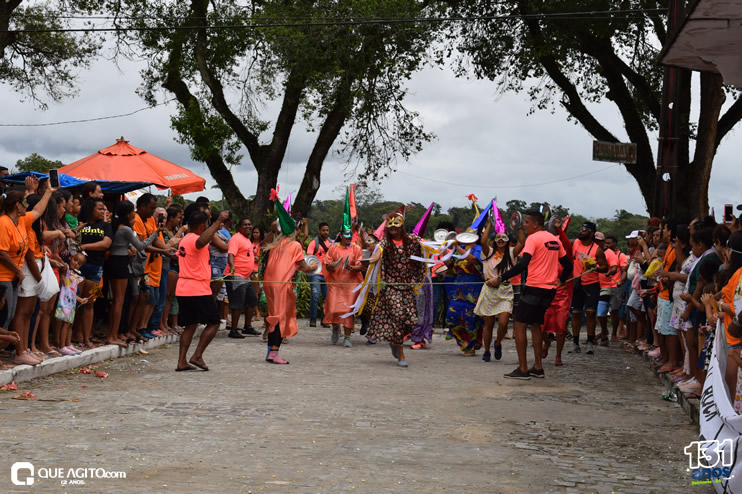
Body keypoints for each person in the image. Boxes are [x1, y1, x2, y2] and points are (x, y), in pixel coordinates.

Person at [492, 211, 572, 380]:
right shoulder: (554, 239)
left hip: (534, 287)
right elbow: (568, 264)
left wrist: (500, 278)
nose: (524, 225)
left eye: (527, 222)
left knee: (519, 325)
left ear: (536, 224)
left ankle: (523, 369)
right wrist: (561, 280)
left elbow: (523, 264)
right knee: (536, 325)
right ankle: (538, 367)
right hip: (549, 290)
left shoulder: (533, 239)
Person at [0, 186, 56, 365]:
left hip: (14, 277)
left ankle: (22, 350)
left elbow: (38, 210)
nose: (27, 206)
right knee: (5, 317)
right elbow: (2, 252)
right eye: (25, 203)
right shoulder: (3, 223)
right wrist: (18, 271)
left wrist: (49, 191)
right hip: (4, 277)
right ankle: (17, 351)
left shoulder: (21, 220)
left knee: (11, 315)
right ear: (17, 205)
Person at [366, 211, 426, 367]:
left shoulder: (412, 241)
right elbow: (376, 255)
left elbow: (427, 247)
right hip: (391, 288)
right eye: (390, 224)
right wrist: (368, 260)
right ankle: (401, 354)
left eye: (396, 224)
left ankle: (394, 341)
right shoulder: (385, 243)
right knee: (398, 317)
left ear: (402, 226)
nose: (393, 227)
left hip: (407, 287)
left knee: (411, 320)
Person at [175, 210, 230, 372]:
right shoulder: (194, 239)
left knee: (190, 325)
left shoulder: (185, 238)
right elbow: (201, 242)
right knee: (214, 322)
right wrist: (217, 222)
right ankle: (197, 356)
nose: (208, 228)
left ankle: (181, 361)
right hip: (197, 289)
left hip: (184, 288)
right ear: (201, 227)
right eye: (206, 225)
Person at [262, 213, 318, 365]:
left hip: (270, 284)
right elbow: (303, 266)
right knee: (281, 318)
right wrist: (313, 266)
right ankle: (274, 353)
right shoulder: (295, 245)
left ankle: (270, 351)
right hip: (281, 285)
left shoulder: (275, 243)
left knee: (273, 317)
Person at [107, 200, 161, 347]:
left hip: (115, 261)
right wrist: (155, 234)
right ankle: (112, 335)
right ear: (127, 213)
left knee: (118, 301)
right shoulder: (125, 229)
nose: (134, 213)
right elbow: (141, 245)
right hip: (120, 262)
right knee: (119, 301)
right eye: (132, 211)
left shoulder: (116, 226)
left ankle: (114, 333)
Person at [474, 221, 524, 362]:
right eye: (498, 237)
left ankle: (498, 342)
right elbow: (483, 241)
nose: (501, 240)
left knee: (503, 323)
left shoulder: (511, 253)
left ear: (508, 240)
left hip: (505, 290)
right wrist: (490, 223)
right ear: (495, 240)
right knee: (489, 324)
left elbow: (523, 242)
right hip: (490, 291)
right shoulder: (488, 252)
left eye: (504, 237)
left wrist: (519, 227)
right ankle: (487, 350)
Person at [76, 198, 113, 349]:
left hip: (96, 268)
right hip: (77, 267)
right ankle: (75, 335)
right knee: (75, 302)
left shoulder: (105, 226)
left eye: (104, 209)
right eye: (100, 208)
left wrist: (84, 246)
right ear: (90, 208)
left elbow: (106, 244)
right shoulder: (79, 223)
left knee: (90, 302)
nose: (103, 211)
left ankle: (86, 337)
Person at [570, 221, 608, 355]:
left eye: (584, 230)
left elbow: (605, 267)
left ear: (591, 233)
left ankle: (590, 341)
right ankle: (575, 343)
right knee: (576, 313)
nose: (581, 231)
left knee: (590, 313)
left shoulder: (597, 249)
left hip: (591, 284)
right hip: (577, 283)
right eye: (580, 229)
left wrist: (594, 267)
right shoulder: (576, 243)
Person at [444, 234, 484, 356]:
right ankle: (464, 341)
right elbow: (449, 264)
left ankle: (470, 346)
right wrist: (445, 248)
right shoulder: (459, 248)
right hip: (458, 288)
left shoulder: (478, 248)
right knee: (452, 315)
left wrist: (456, 246)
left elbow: (473, 260)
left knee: (470, 317)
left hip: (474, 288)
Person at [322, 229, 363, 347]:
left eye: (350, 235)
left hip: (350, 284)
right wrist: (332, 266)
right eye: (346, 235)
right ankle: (335, 327)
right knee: (333, 309)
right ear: (341, 235)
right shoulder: (333, 248)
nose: (349, 237)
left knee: (347, 311)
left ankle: (347, 337)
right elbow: (327, 266)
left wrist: (350, 268)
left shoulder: (356, 249)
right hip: (335, 283)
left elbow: (360, 266)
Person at [224, 218, 259, 339]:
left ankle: (247, 326)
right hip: (236, 276)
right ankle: (233, 329)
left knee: (252, 300)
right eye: (245, 225)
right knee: (237, 303)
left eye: (249, 224)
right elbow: (231, 254)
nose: (248, 226)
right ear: (239, 227)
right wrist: (232, 265)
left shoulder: (247, 240)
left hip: (246, 277)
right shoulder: (236, 238)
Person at [55, 253, 90, 355]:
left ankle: (68, 344)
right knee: (65, 324)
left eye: (79, 263)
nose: (76, 263)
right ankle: (61, 346)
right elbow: (61, 263)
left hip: (71, 303)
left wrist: (81, 300)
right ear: (70, 257)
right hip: (65, 302)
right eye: (75, 260)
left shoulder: (75, 275)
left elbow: (72, 292)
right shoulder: (66, 269)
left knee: (70, 325)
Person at [306, 222, 333, 327]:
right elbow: (309, 257)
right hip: (315, 273)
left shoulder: (331, 243)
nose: (325, 232)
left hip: (327, 274)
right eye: (323, 230)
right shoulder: (314, 243)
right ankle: (313, 319)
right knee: (315, 295)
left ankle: (324, 320)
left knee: (327, 298)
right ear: (319, 231)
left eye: (327, 230)